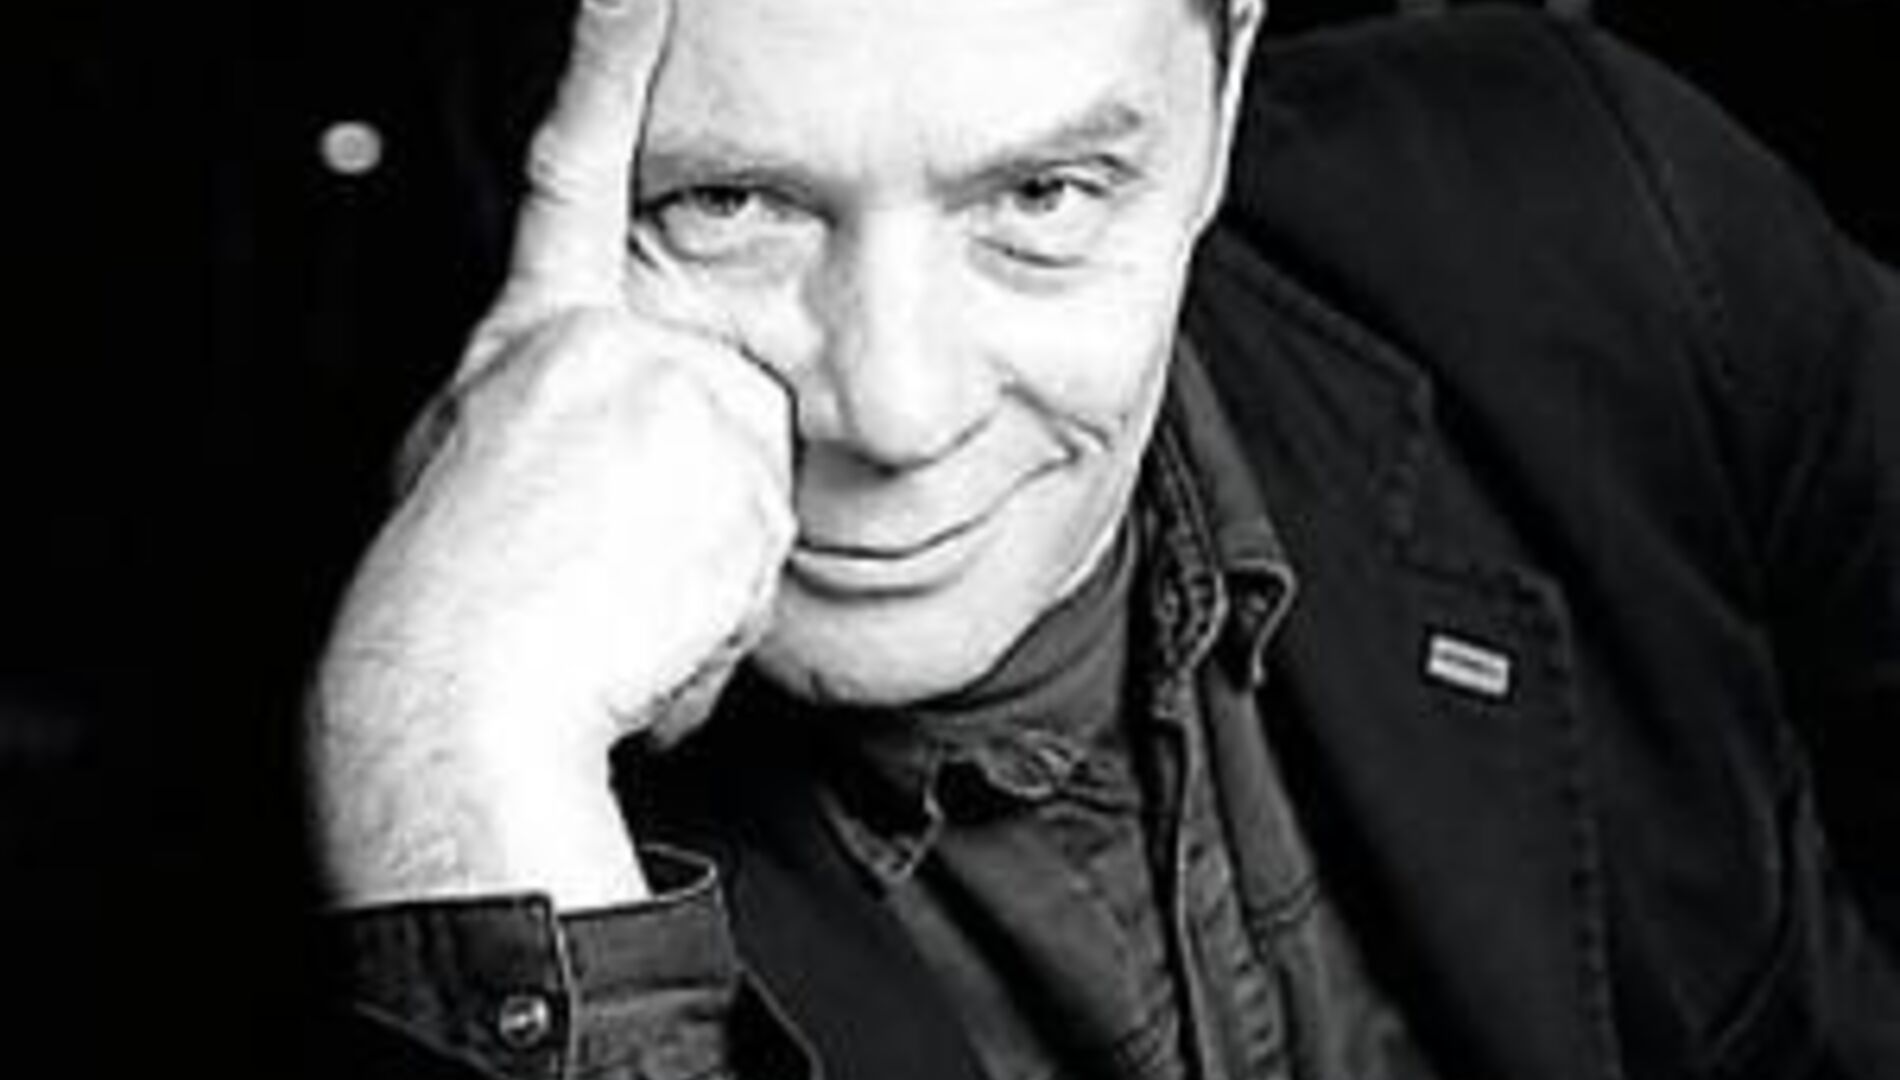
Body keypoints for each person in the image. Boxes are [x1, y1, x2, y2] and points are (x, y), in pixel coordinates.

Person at [308, 0, 1900, 1077]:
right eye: (726, 205)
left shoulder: (1598, 221)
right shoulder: (338, 737)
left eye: (1046, 195)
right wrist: (457, 765)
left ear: (1218, 108)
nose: (900, 406)